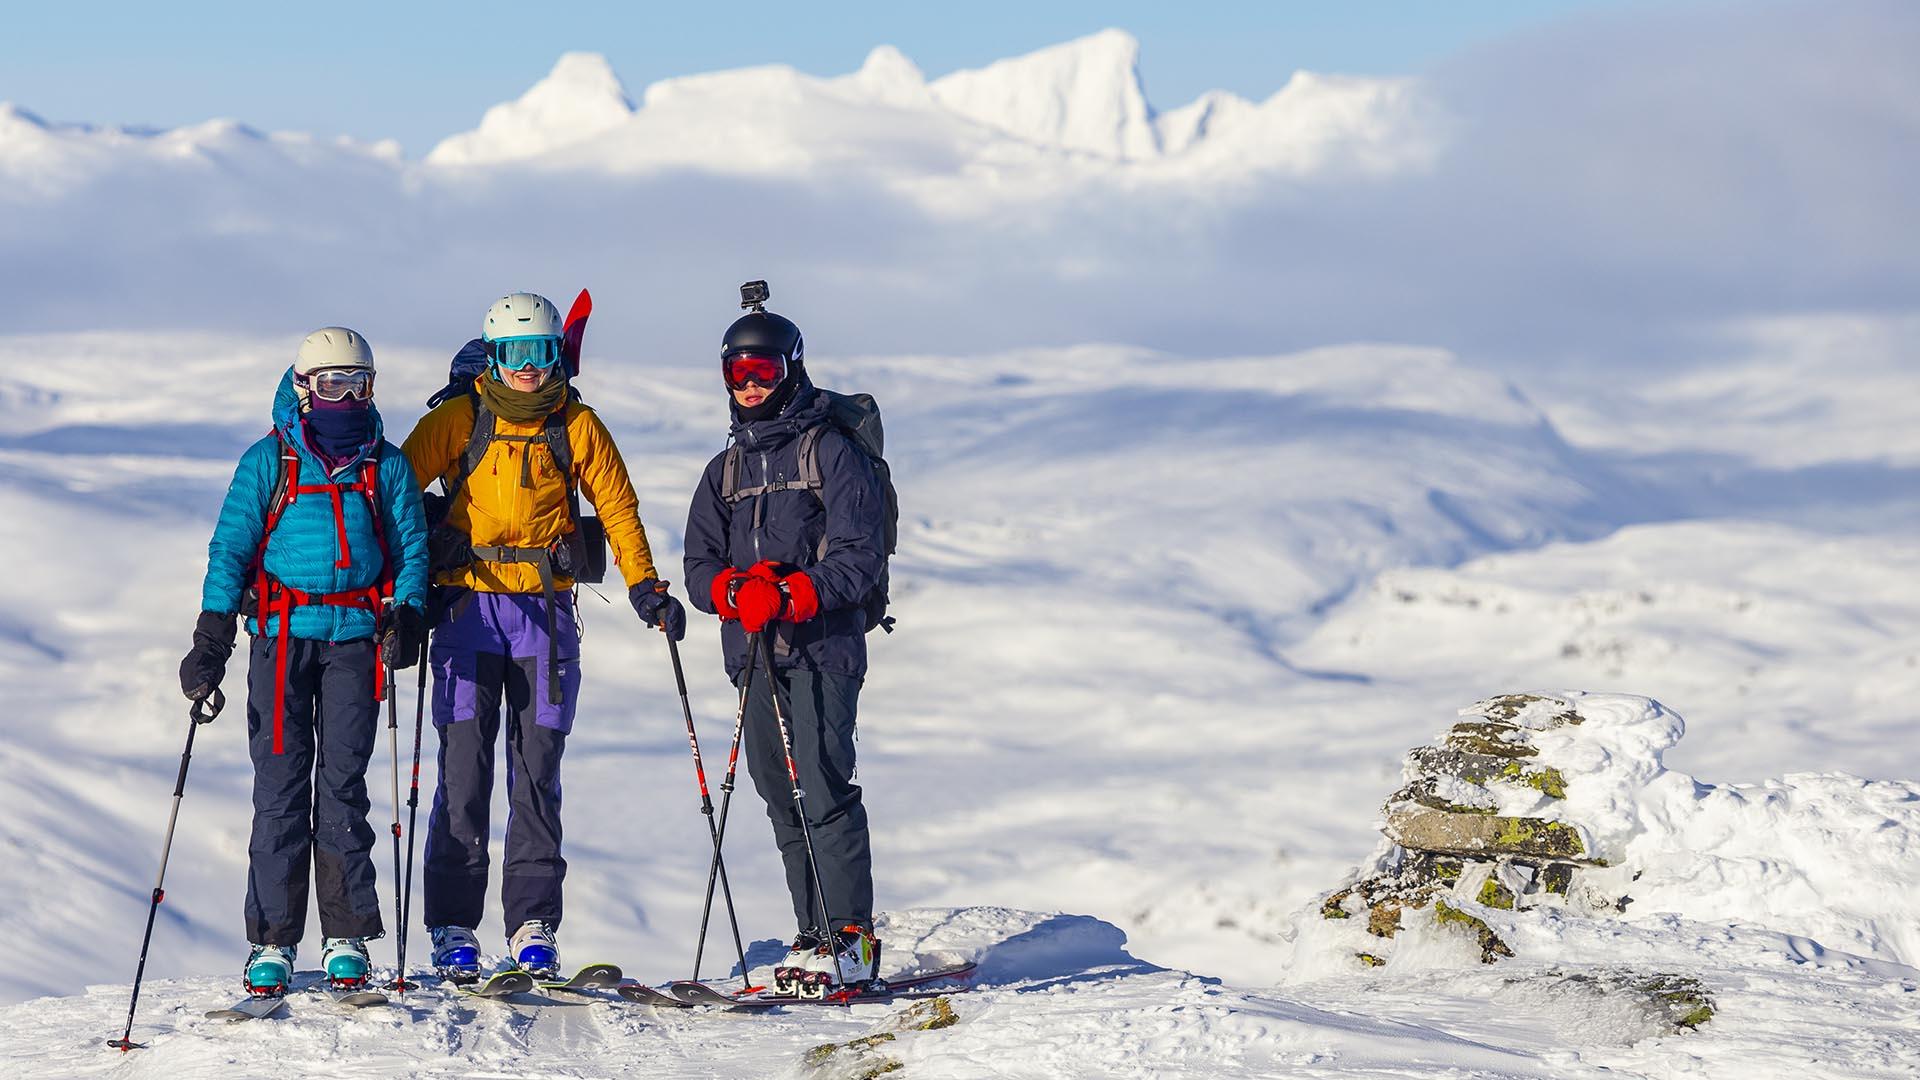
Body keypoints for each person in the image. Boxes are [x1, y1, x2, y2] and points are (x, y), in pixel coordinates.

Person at [402, 291, 684, 980]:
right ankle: (452, 928)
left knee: (537, 774)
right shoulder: (458, 419)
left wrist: (645, 583)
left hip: (546, 622)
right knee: (463, 774)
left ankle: (534, 924)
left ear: (558, 354)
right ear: (493, 357)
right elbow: (395, 494)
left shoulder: (577, 423)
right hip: (468, 615)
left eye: (541, 353)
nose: (529, 369)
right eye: (515, 354)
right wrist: (407, 582)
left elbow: (617, 503)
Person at [179, 327, 431, 995]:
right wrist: (212, 638)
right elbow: (230, 550)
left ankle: (345, 932)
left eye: (359, 384)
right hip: (281, 639)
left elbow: (410, 549)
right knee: (281, 790)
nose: (346, 397)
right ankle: (273, 939)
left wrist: (408, 613)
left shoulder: (388, 466)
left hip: (355, 640)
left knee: (343, 786)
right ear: (304, 388)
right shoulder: (269, 462)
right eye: (331, 385)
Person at [683, 293, 889, 992]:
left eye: (763, 371)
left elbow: (860, 555)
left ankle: (850, 940)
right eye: (737, 373)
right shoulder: (726, 471)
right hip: (754, 657)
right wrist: (736, 595)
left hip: (824, 647)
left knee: (824, 784)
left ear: (792, 370)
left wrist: (794, 592)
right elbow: (699, 565)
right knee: (779, 790)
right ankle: (812, 934)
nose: (750, 386)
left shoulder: (829, 451)